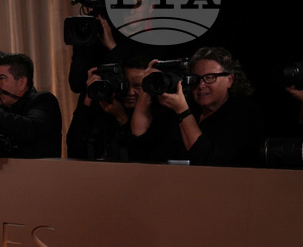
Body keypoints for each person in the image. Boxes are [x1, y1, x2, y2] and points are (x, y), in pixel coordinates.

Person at [130, 47, 264, 166]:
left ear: (230, 80)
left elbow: (210, 160)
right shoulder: (188, 105)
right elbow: (140, 134)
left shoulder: (243, 111)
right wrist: (148, 85)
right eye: (196, 78)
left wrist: (182, 111)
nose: (201, 85)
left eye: (210, 77)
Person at [0, 53, 62, 159]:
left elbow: (29, 129)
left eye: (2, 78)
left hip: (39, 173)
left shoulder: (43, 100)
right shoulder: (0, 109)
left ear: (22, 82)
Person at [66, 59, 146, 161]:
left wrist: (121, 118)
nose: (130, 92)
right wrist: (88, 98)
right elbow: (74, 148)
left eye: (137, 86)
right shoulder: (104, 108)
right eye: (125, 84)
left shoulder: (155, 116)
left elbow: (139, 156)